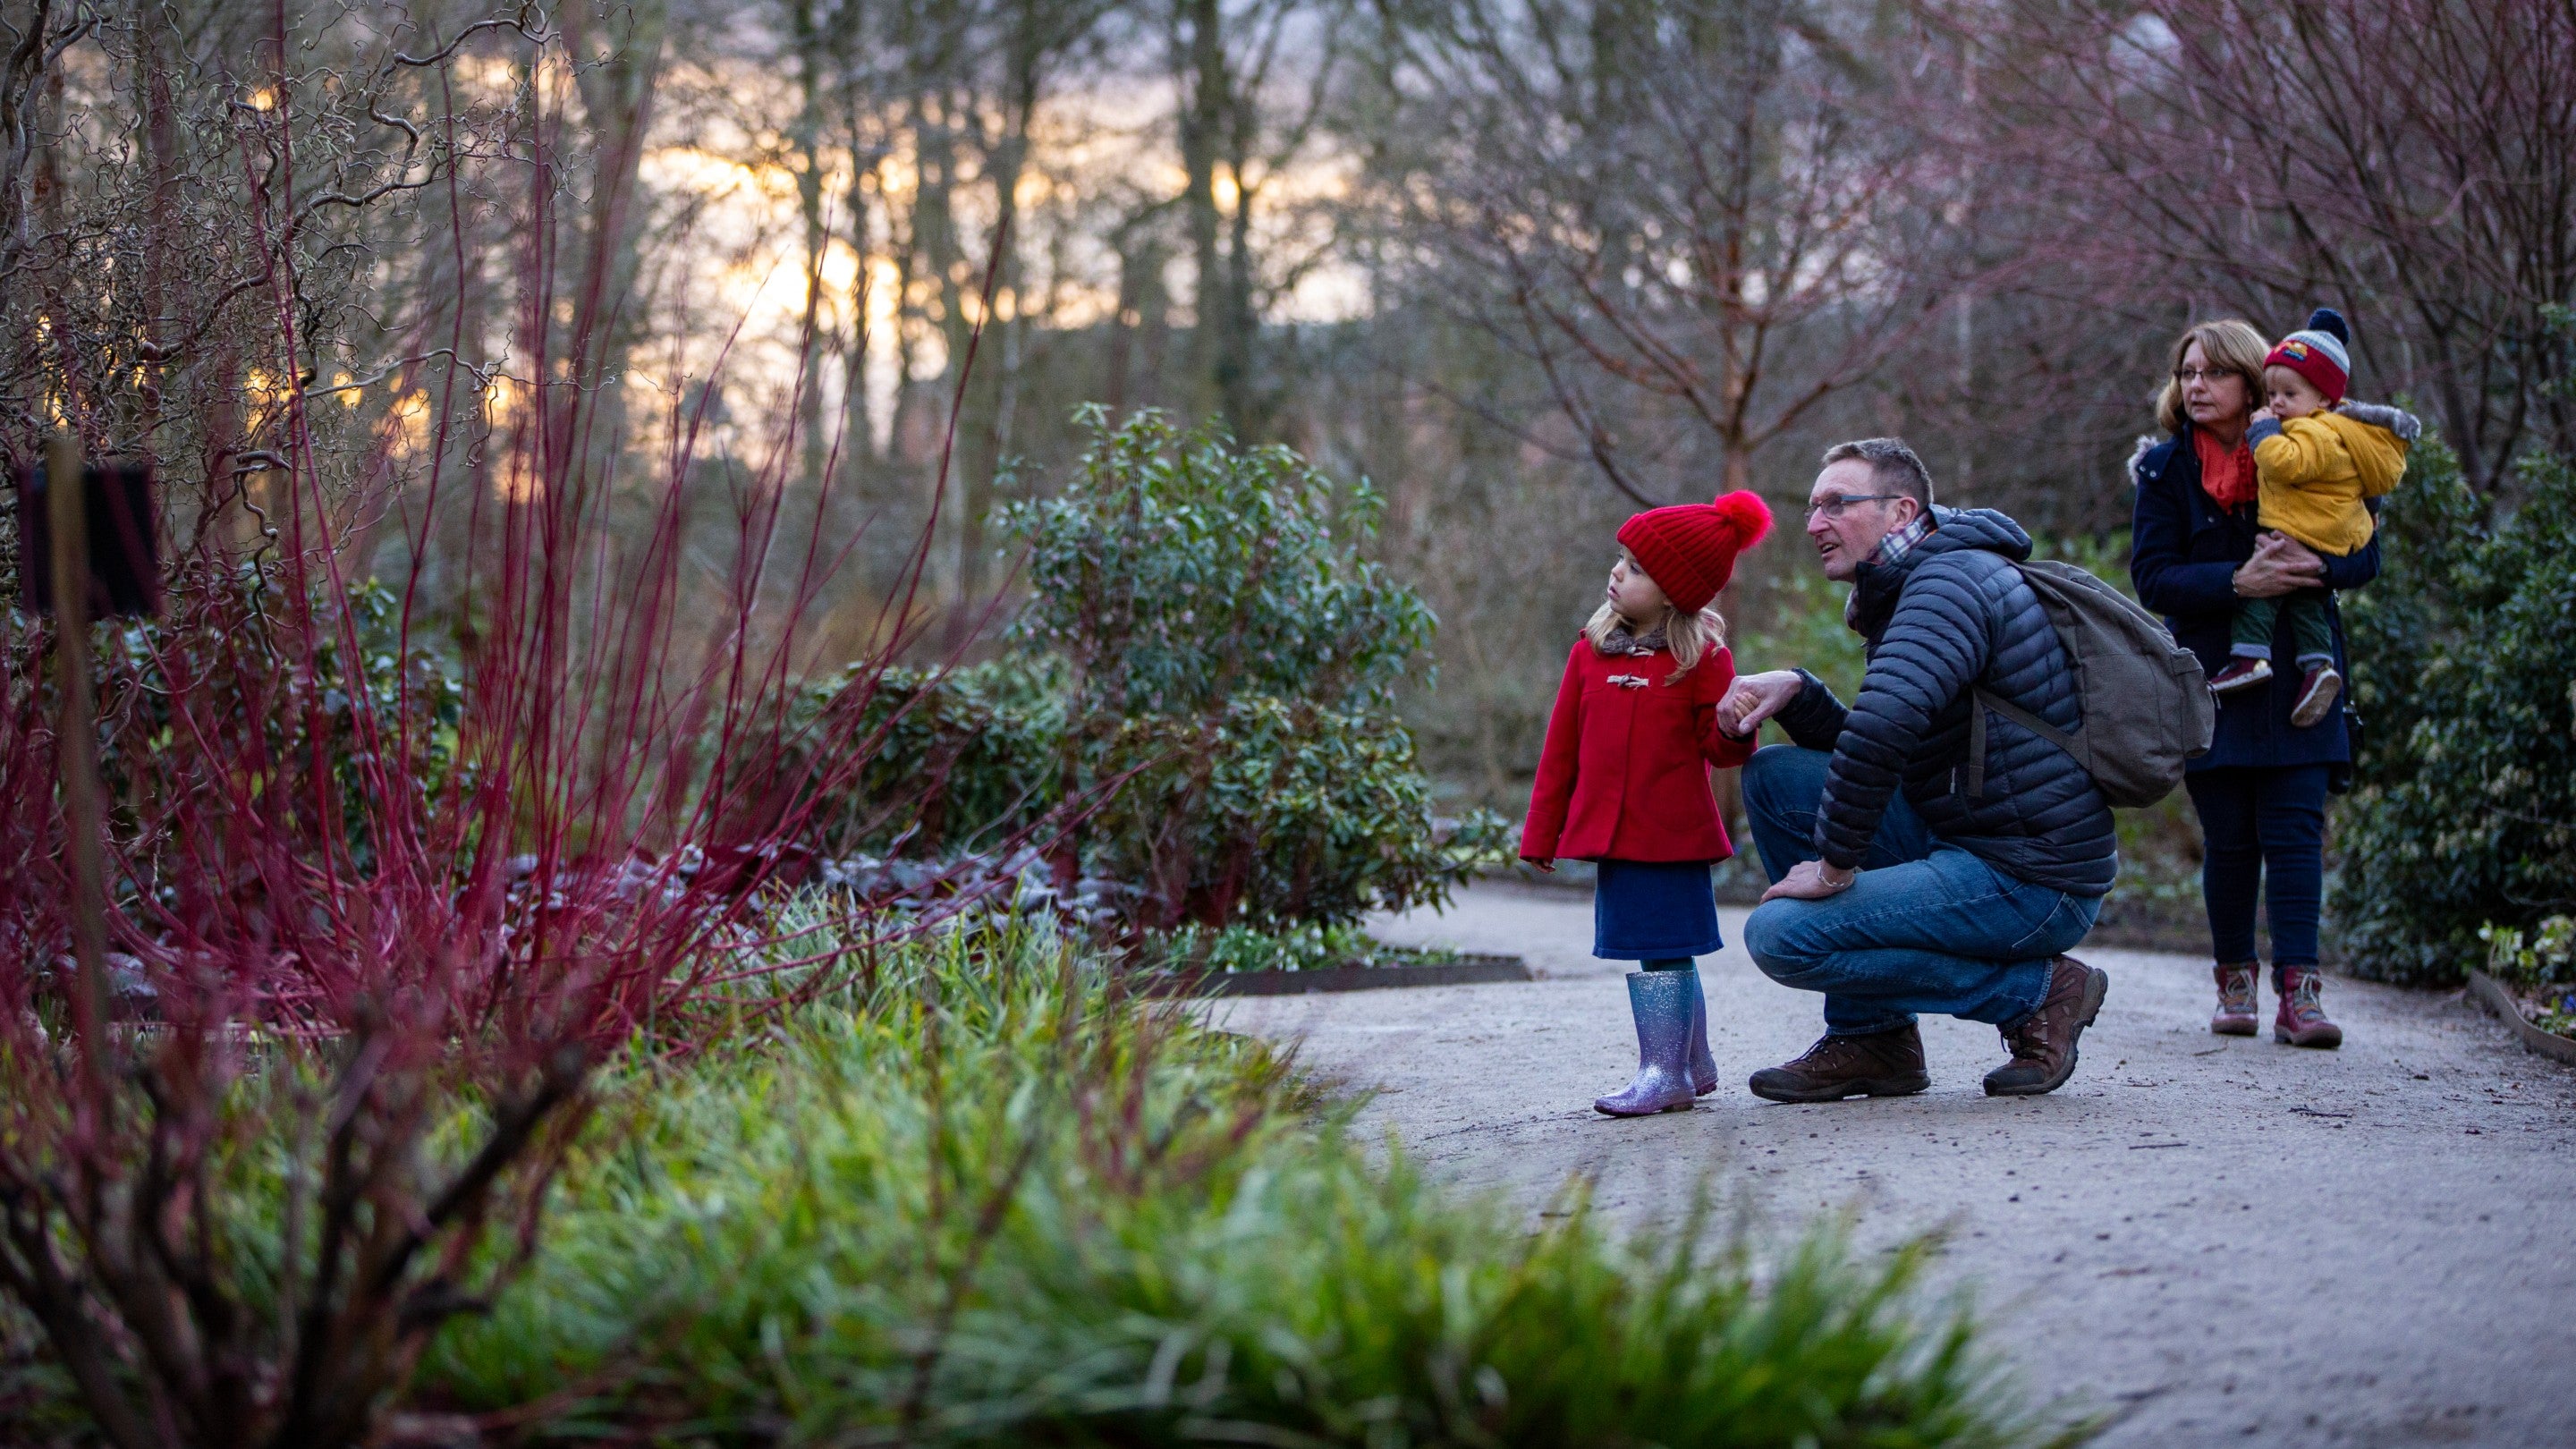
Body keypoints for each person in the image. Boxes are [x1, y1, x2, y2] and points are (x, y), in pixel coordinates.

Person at [1716, 439, 2114, 1101]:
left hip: (2032, 879)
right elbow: (1900, 751)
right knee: (1778, 780)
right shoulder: (1918, 581)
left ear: (1901, 513)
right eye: (1814, 506)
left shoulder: (1948, 583)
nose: (1815, 523)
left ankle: (2041, 992)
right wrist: (1801, 693)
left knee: (1783, 937)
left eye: (1837, 504)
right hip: (1966, 835)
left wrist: (1835, 867)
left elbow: (1882, 730)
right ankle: (1873, 1038)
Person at [2129, 319, 2408, 1048]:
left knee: (2295, 837)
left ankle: (2302, 997)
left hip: (2301, 676)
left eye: (2214, 373)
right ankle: (2234, 983)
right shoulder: (2164, 471)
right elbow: (2152, 577)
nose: (2196, 385)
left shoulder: (2319, 447)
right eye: (2187, 372)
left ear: (2253, 384)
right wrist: (2237, 579)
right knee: (2228, 840)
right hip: (2214, 679)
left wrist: (2320, 568)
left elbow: (2364, 552)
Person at [1519, 488, 1773, 1116]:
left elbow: (1719, 749)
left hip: (1672, 838)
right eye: (1620, 560)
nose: (1616, 572)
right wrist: (1541, 835)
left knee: (1664, 947)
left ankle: (1665, 1073)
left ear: (1672, 591)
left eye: (1635, 568)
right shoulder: (1590, 654)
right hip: (1615, 839)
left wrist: (1738, 723)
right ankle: (1693, 1062)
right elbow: (1561, 753)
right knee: (1658, 947)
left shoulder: (1702, 661)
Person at [2207, 308, 2416, 727]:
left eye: (2289, 395)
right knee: (2307, 605)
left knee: (2262, 596)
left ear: (2324, 399)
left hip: (2298, 532)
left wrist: (2263, 432)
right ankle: (2319, 666)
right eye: (2272, 395)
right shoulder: (2338, 430)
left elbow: (2286, 465)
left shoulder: (2314, 431)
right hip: (2326, 536)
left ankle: (2249, 659)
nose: (2278, 404)